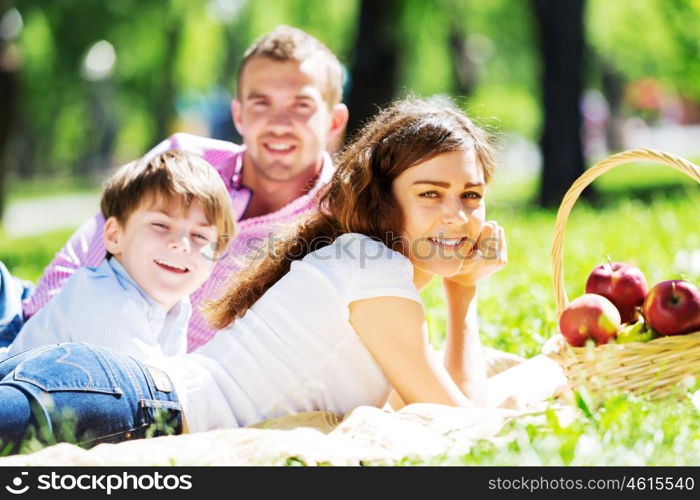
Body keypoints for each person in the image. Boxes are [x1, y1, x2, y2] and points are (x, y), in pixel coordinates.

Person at [0, 97, 565, 454]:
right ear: (383, 200)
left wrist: (462, 292)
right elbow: (463, 427)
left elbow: (456, 406)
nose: (458, 216)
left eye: (471, 195)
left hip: (107, 391)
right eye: (430, 193)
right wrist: (461, 293)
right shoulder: (371, 269)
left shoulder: (367, 271)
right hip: (123, 401)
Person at [0, 25, 349, 352]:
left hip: (154, 372)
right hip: (55, 326)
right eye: (261, 103)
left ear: (334, 122)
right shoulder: (186, 159)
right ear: (239, 115)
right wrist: (32, 340)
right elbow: (84, 256)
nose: (278, 124)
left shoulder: (344, 215)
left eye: (301, 106)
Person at [3, 151, 236, 360]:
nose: (182, 244)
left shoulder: (175, 304)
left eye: (200, 236)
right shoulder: (109, 304)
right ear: (115, 236)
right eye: (161, 225)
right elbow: (157, 399)